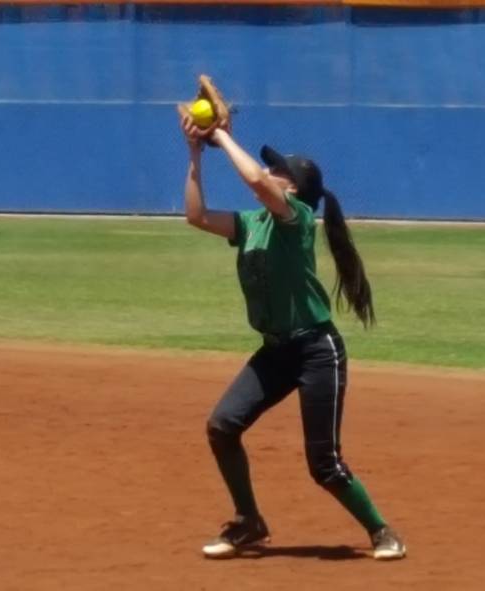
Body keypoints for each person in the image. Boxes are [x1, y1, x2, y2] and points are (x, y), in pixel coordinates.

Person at [179, 114, 406, 560]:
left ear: (294, 190)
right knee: (222, 427)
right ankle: (250, 522)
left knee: (324, 465)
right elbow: (197, 215)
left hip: (317, 352)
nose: (270, 173)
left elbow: (257, 184)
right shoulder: (251, 224)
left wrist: (220, 135)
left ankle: (382, 531)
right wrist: (194, 152)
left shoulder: (296, 218)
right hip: (276, 351)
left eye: (278, 171)